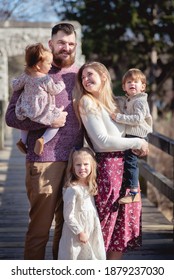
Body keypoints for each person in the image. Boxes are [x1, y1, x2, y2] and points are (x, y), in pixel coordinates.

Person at [5, 22, 84, 260]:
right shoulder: (33, 72)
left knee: (67, 228)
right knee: (40, 230)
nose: (66, 48)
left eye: (71, 44)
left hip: (75, 162)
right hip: (43, 162)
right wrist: (49, 120)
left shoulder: (82, 74)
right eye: (61, 42)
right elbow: (11, 116)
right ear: (51, 44)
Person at [73, 61, 149, 260]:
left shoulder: (116, 102)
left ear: (104, 77)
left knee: (121, 227)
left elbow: (136, 124)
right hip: (108, 168)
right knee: (106, 222)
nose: (86, 80)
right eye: (83, 77)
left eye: (90, 75)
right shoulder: (87, 102)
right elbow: (103, 142)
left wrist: (138, 143)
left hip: (126, 166)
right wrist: (138, 142)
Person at [12, 42, 66, 156]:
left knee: (24, 125)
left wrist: (13, 81)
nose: (51, 66)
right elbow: (54, 90)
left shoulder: (25, 75)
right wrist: (61, 84)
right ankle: (43, 140)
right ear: (37, 65)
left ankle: (22, 141)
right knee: (57, 122)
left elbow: (16, 86)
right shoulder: (45, 79)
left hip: (26, 108)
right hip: (42, 110)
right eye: (48, 63)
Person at [110, 68, 153, 204]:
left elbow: (137, 119)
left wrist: (118, 117)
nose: (132, 84)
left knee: (131, 163)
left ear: (143, 87)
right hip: (131, 136)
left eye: (136, 82)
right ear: (124, 87)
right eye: (129, 82)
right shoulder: (129, 99)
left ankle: (134, 192)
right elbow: (118, 100)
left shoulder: (140, 101)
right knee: (128, 162)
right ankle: (130, 188)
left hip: (137, 136)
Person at [58, 147, 106, 260]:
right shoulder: (72, 189)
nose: (82, 168)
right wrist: (79, 232)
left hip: (91, 230)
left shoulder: (90, 186)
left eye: (86, 164)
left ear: (92, 166)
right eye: (78, 165)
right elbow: (68, 216)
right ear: (72, 167)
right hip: (77, 233)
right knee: (76, 256)